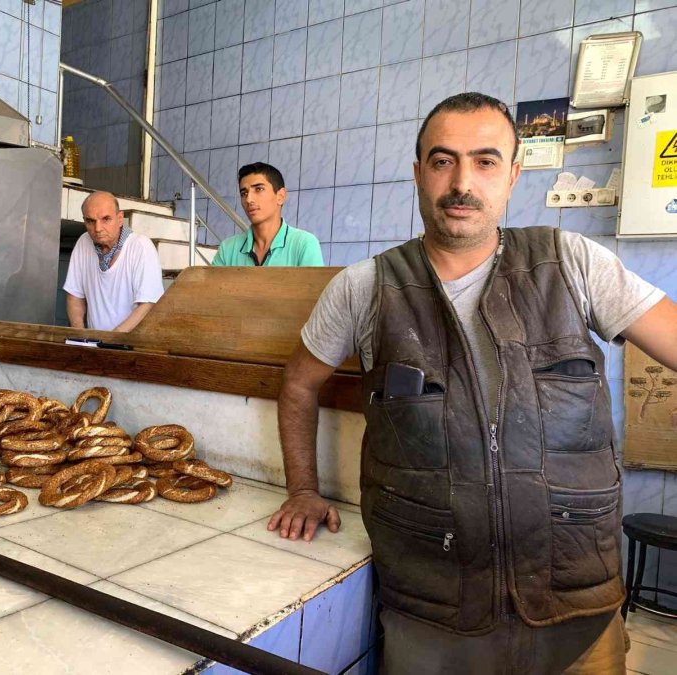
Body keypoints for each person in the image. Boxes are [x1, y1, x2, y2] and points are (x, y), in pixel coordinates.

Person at [267, 92, 677, 673]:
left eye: (485, 162)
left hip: (578, 608)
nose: (462, 181)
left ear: (512, 176)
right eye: (442, 161)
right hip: (431, 618)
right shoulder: (365, 288)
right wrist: (303, 489)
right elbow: (298, 385)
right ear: (418, 174)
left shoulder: (572, 263)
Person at [63, 191, 164, 332]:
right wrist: (79, 335)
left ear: (120, 218)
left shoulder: (140, 246)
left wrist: (113, 339)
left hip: (131, 344)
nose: (97, 229)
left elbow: (147, 305)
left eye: (106, 219)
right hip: (95, 345)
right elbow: (74, 295)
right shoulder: (83, 242)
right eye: (90, 221)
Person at [211, 162, 324, 266]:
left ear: (280, 196)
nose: (249, 199)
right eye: (244, 193)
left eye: (259, 189)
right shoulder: (227, 249)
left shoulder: (304, 244)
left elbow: (314, 288)